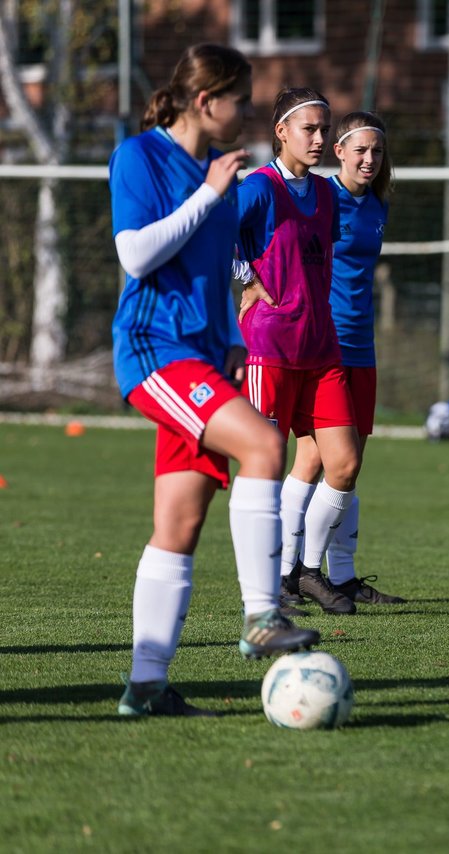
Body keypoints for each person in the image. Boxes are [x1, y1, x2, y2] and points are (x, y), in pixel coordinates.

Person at [110, 44, 319, 717]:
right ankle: (262, 616)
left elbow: (219, 268)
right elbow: (136, 254)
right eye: (241, 100)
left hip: (201, 353)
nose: (249, 112)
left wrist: (230, 341)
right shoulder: (140, 157)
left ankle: (145, 688)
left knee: (179, 523)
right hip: (153, 347)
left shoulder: (218, 173)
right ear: (207, 101)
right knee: (263, 445)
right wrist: (207, 195)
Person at [235, 88, 363, 616]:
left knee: (344, 463)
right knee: (267, 467)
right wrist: (244, 277)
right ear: (280, 131)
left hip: (321, 347)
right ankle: (266, 590)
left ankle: (306, 571)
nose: (319, 138)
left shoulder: (329, 195)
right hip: (270, 346)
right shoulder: (258, 188)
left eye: (324, 129)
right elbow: (219, 236)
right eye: (308, 129)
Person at [276, 111, 405, 606]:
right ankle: (290, 574)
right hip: (320, 345)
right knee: (312, 459)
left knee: (349, 467)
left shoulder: (376, 206)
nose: (369, 159)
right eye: (360, 150)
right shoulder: (320, 197)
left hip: (361, 348)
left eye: (377, 151)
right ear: (339, 152)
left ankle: (342, 575)